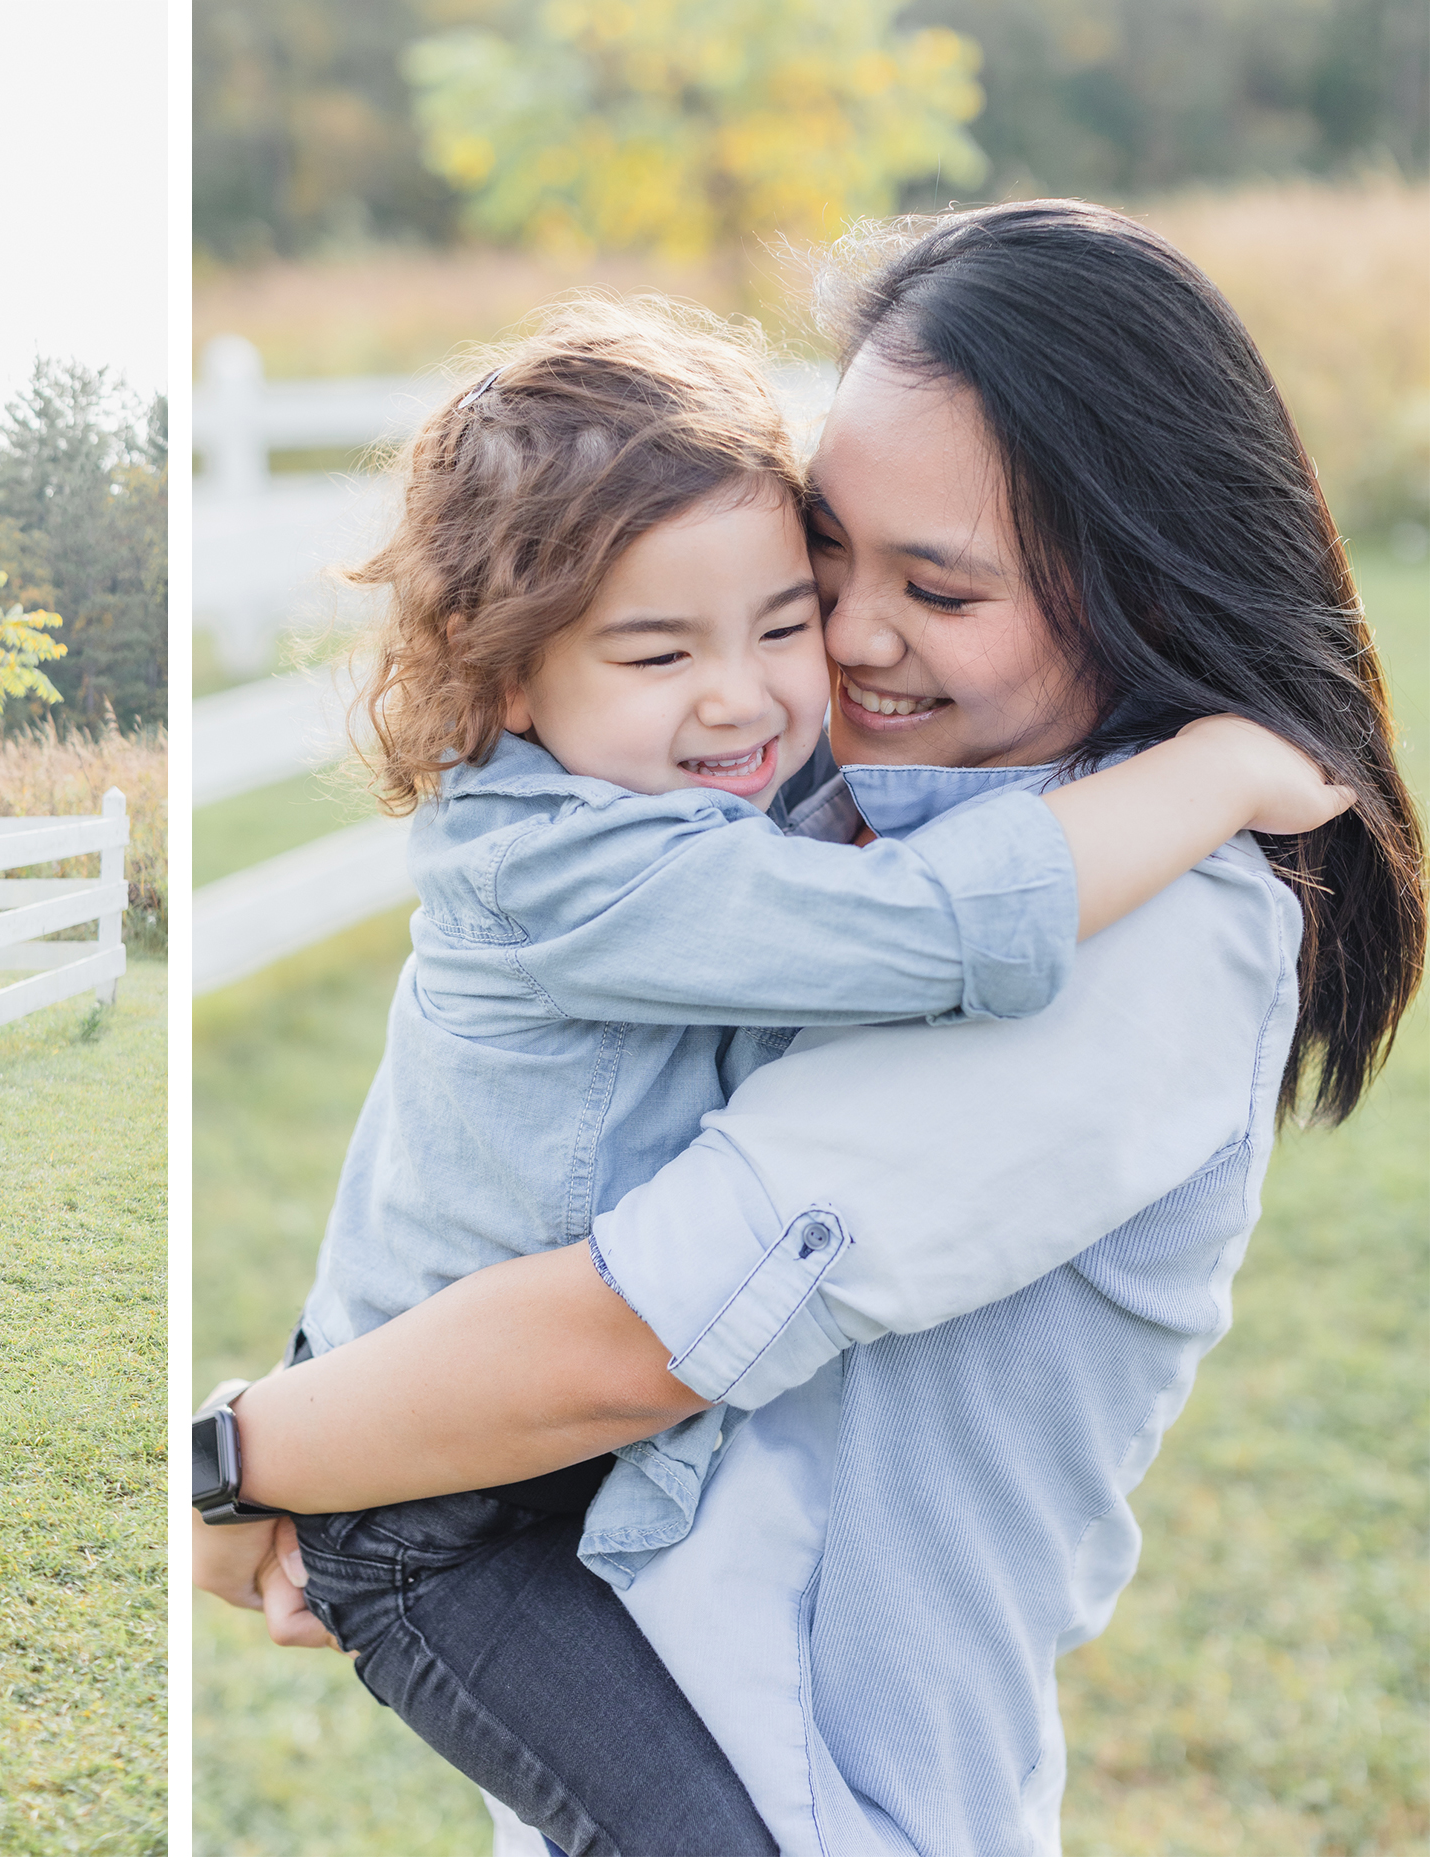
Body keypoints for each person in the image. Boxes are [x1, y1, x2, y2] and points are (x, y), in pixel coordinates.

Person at [193, 201, 1426, 1856]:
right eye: (824, 556)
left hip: (841, 1798)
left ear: (1139, 581)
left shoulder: (1155, 926)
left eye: (940, 584)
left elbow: (634, 1329)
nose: (840, 637)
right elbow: (482, 1139)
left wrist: (244, 1452)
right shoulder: (823, 811)